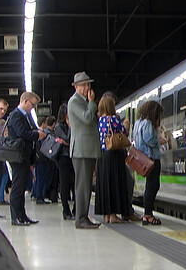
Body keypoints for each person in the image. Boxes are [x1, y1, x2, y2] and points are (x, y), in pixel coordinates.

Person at [5, 91, 47, 226]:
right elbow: (22, 133)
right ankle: (15, 216)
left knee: (22, 186)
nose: (33, 108)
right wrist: (37, 135)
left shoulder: (26, 116)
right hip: (18, 156)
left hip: (24, 156)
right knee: (17, 186)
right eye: (33, 105)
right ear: (25, 101)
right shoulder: (16, 116)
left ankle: (22, 215)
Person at [67, 71, 101, 229]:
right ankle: (80, 219)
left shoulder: (82, 101)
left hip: (86, 150)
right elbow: (87, 119)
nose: (88, 87)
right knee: (82, 186)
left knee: (85, 185)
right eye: (84, 85)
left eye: (89, 84)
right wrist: (92, 102)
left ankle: (83, 217)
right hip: (81, 150)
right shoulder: (75, 102)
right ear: (76, 87)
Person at [94, 95, 131, 224]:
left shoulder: (99, 121)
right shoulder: (113, 119)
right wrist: (125, 125)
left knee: (105, 185)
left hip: (103, 156)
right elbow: (123, 133)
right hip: (114, 155)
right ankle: (114, 215)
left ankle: (107, 215)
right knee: (114, 184)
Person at [133, 100, 164, 226]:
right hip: (152, 159)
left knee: (150, 186)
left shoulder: (137, 123)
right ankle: (148, 215)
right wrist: (159, 140)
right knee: (153, 186)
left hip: (144, 159)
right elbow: (150, 140)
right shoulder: (147, 124)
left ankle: (147, 214)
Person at [53, 104, 75, 219]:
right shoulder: (58, 127)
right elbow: (68, 139)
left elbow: (68, 140)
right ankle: (66, 210)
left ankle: (76, 209)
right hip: (63, 157)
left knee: (75, 183)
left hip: (73, 156)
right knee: (65, 183)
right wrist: (71, 127)